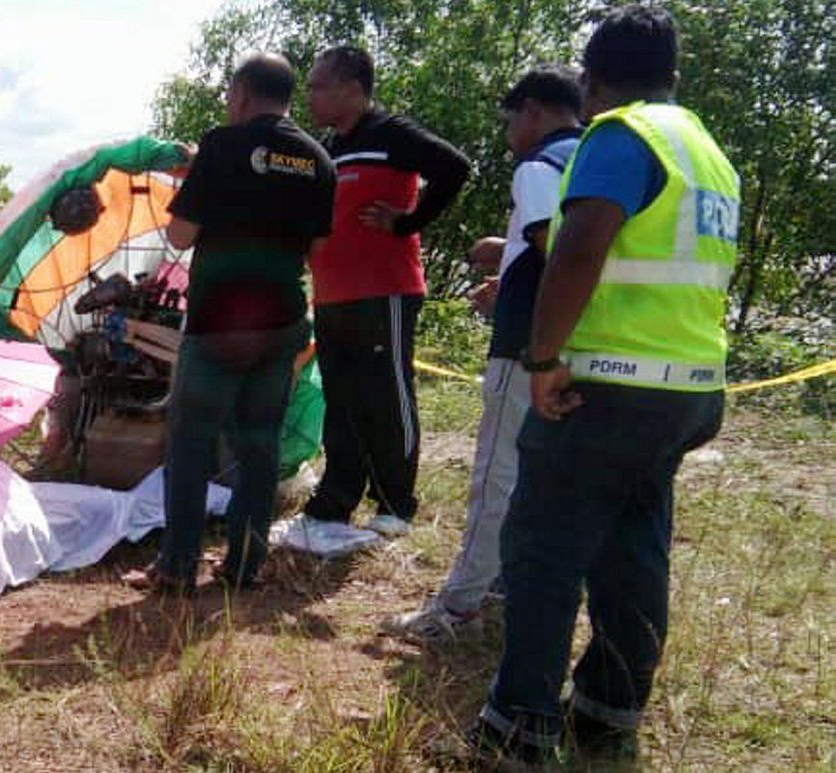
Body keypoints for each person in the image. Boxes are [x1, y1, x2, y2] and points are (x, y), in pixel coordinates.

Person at [465, 5, 739, 764]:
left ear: (590, 80)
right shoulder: (707, 151)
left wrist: (543, 354)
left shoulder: (619, 134)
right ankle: (608, 707)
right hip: (687, 386)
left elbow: (578, 248)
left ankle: (517, 726)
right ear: (671, 75)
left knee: (542, 548)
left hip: (606, 383)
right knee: (632, 546)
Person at [381, 67, 583, 645]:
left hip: (527, 350)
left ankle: (460, 604)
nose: (510, 135)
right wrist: (510, 262)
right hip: (581, 344)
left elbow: (560, 252)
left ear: (534, 111)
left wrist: (525, 309)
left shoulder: (541, 164)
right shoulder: (594, 159)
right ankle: (504, 586)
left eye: (511, 120)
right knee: (548, 480)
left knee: (497, 476)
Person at [126, 52, 336, 593]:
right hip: (281, 322)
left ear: (241, 94)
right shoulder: (319, 160)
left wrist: (199, 183)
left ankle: (176, 567)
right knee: (260, 444)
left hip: (219, 322)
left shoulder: (222, 144)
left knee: (192, 441)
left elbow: (180, 236)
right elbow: (318, 250)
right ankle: (244, 566)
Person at [300, 45, 470, 538]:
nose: (309, 95)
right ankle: (336, 498)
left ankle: (396, 502)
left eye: (318, 85)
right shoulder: (327, 148)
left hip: (384, 290)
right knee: (342, 399)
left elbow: (454, 167)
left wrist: (409, 222)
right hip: (332, 294)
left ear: (352, 89)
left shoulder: (391, 134)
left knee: (386, 397)